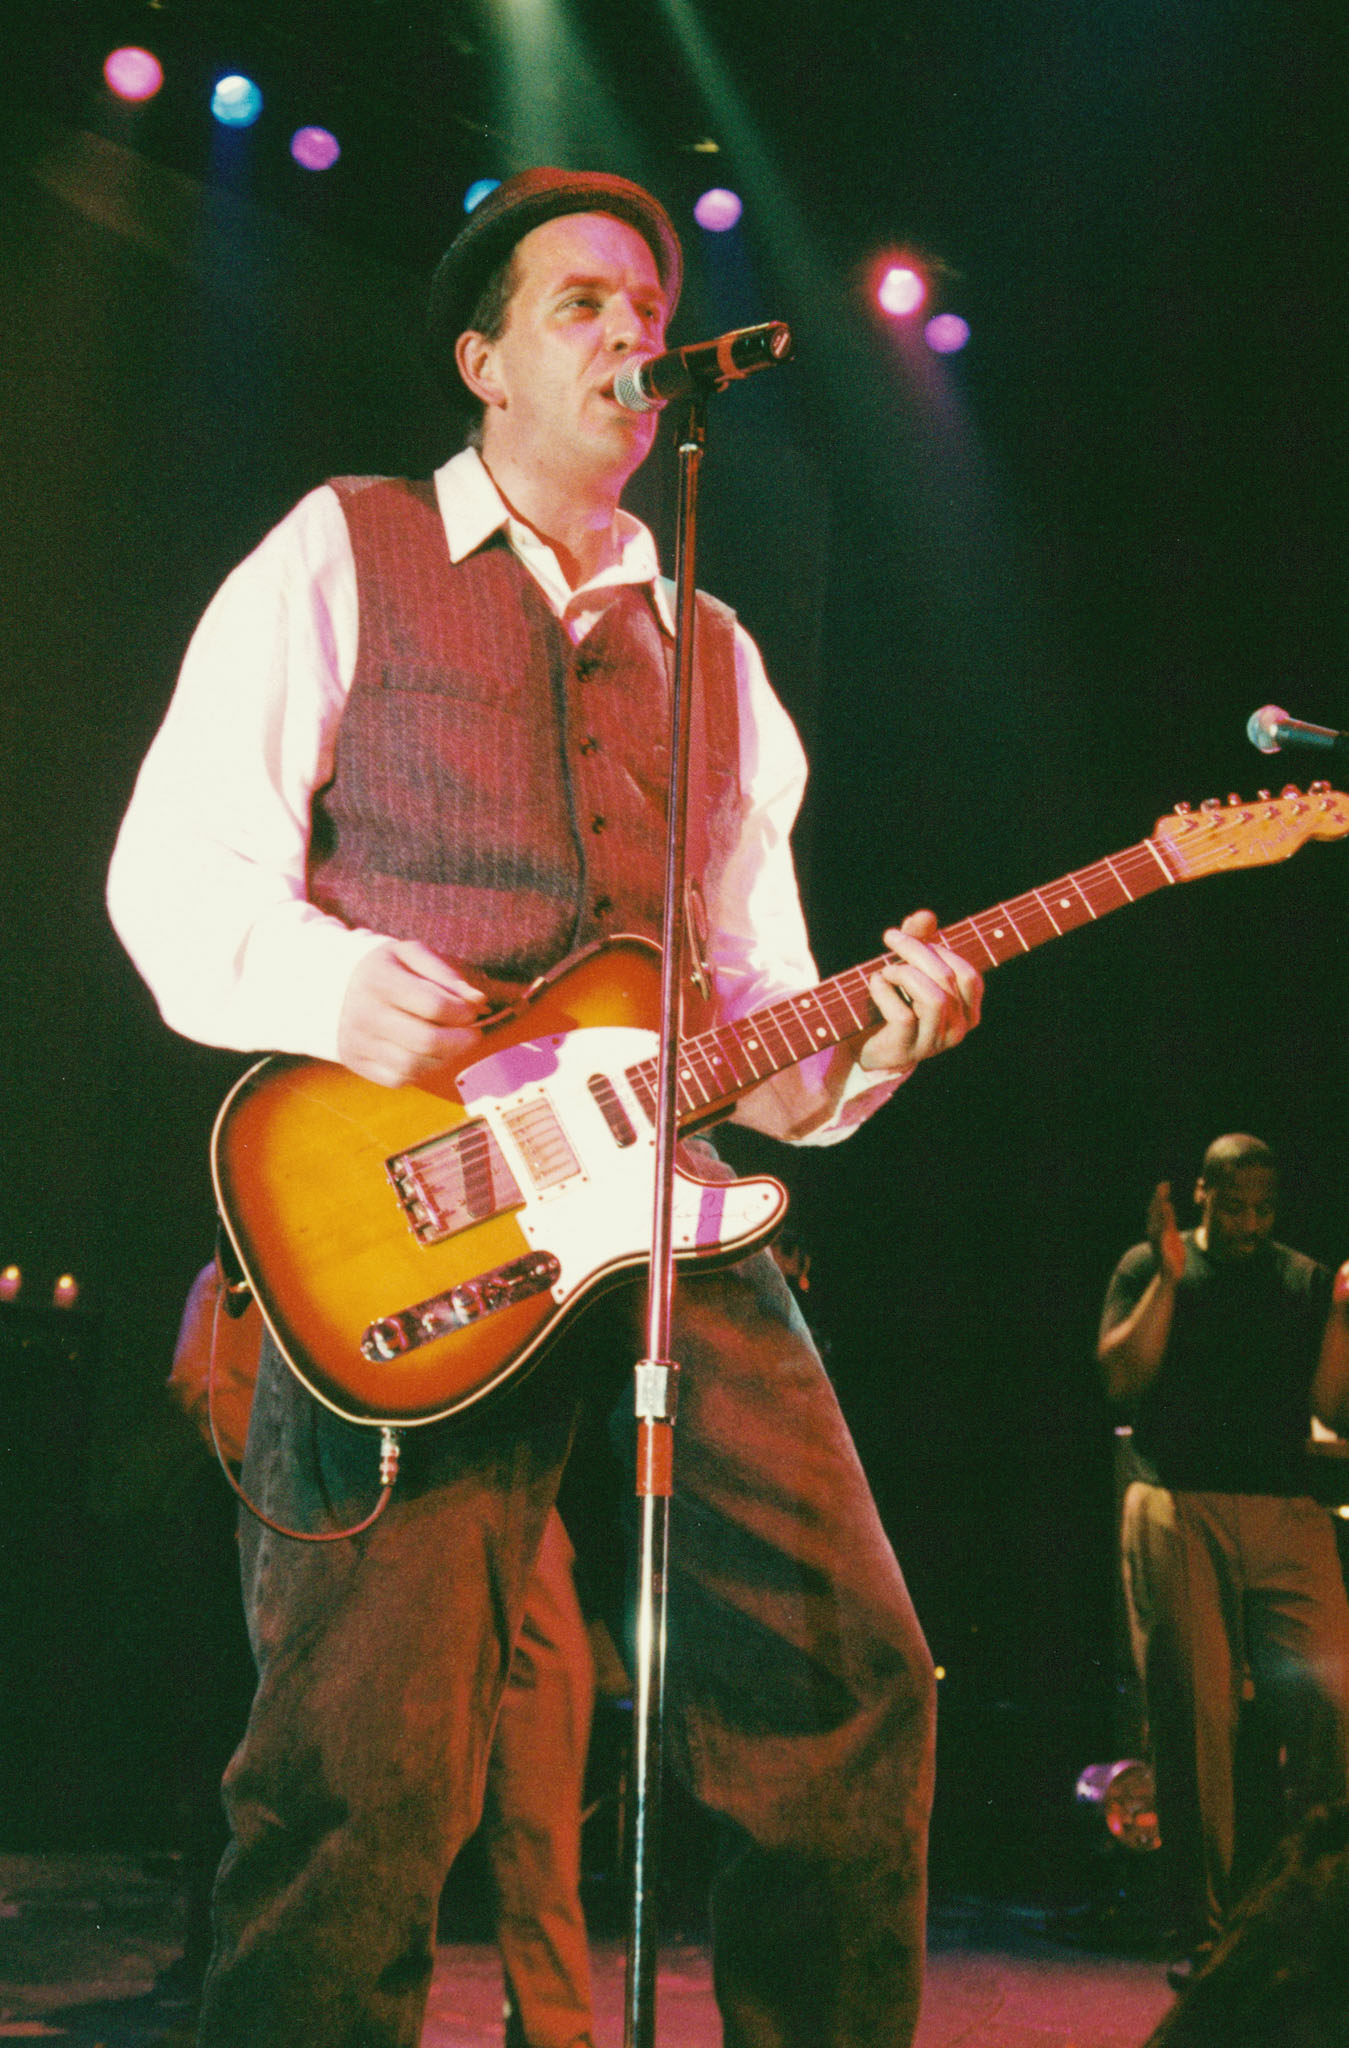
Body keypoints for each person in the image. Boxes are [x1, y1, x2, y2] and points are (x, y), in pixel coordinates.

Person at [107, 166, 984, 2048]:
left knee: (848, 1680)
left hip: (659, 1212)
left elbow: (754, 1008)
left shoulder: (717, 654)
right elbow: (172, 870)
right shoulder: (342, 549)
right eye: (580, 303)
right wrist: (326, 985)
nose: (631, 334)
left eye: (648, 307)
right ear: (482, 360)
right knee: (357, 1772)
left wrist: (872, 1043)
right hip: (409, 1210)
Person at [168, 1261, 599, 2047]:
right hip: (354, 1500)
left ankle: (555, 2029)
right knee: (350, 1804)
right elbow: (208, 1388)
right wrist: (291, 1495)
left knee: (539, 1804)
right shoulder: (253, 1259)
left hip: (497, 1496)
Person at [1097, 1134, 1349, 1983]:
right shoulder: (1149, 1265)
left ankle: (1316, 1926)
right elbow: (1120, 1379)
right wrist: (1168, 1280)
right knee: (1196, 1718)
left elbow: (1331, 1408)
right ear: (1201, 1193)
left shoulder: (1301, 1280)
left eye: (1261, 1208)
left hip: (1284, 1509)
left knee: (1331, 1704)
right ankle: (1201, 1936)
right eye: (1232, 1206)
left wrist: (1341, 1316)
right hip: (1179, 1502)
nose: (1248, 1223)